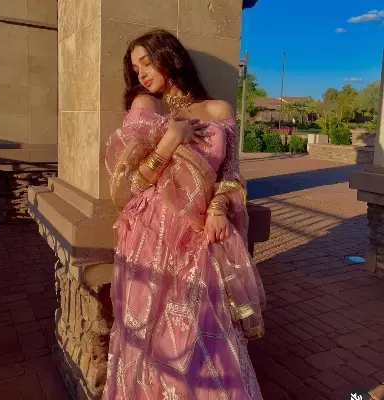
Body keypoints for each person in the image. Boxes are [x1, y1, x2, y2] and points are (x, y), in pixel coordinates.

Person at [103, 29, 265, 400]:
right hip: (151, 233)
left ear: (169, 57)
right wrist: (170, 139)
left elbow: (231, 175)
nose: (142, 73)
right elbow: (132, 185)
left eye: (147, 62)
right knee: (152, 333)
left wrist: (219, 209)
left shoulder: (218, 110)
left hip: (199, 236)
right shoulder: (147, 108)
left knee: (200, 325)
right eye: (136, 68)